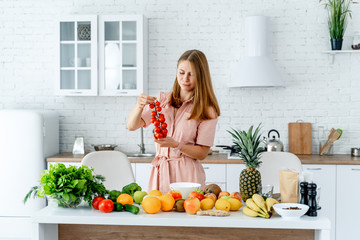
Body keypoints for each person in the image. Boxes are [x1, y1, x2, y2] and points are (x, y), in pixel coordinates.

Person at [127, 49, 220, 193]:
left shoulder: (207, 109)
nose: (185, 79)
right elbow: (132, 126)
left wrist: (176, 145)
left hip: (188, 178)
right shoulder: (163, 100)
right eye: (181, 73)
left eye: (191, 74)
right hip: (160, 173)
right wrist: (139, 105)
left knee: (184, 213)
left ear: (201, 76)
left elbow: (202, 153)